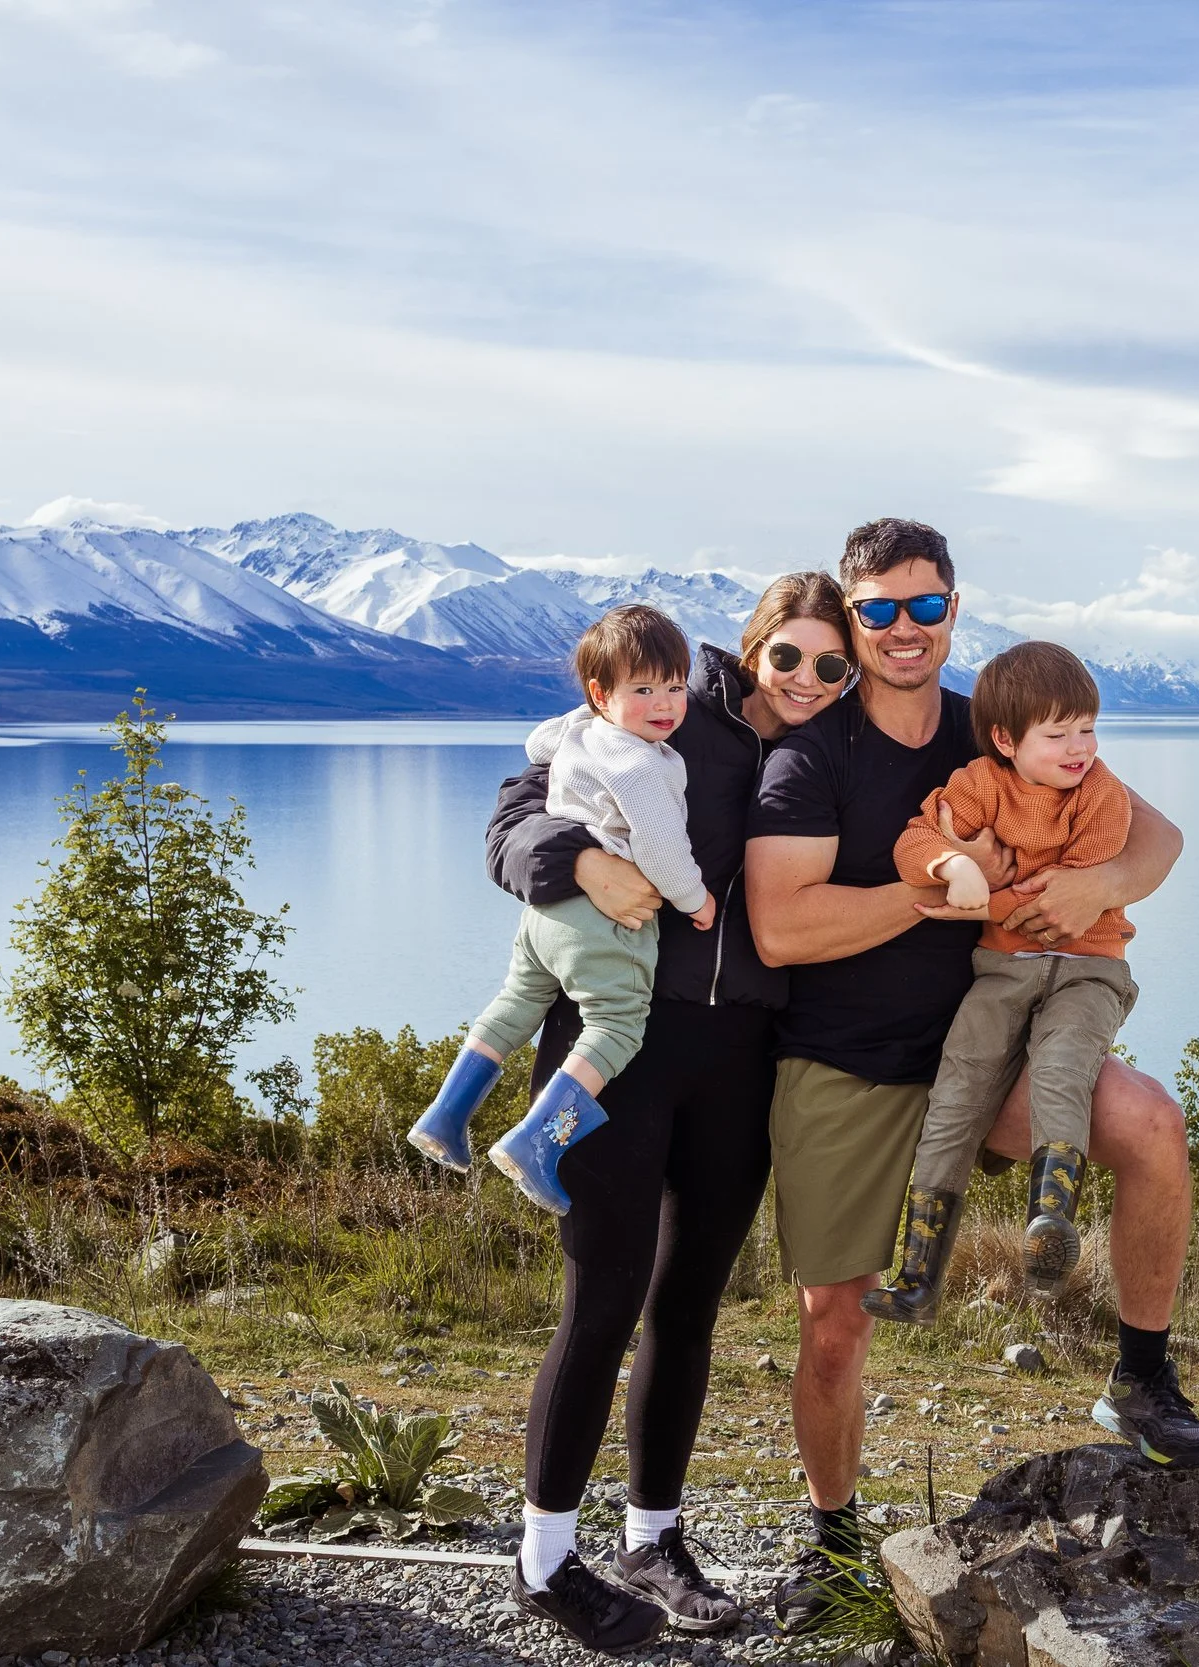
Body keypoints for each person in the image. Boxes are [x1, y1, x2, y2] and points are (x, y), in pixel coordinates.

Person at [744, 518, 1199, 1633]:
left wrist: (1091, 886)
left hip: (997, 1038)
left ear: (953, 609)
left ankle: (1140, 1380)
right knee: (834, 1320)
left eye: (925, 606)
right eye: (877, 609)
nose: (902, 628)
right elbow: (780, 926)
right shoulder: (814, 753)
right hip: (848, 1060)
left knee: (1150, 1120)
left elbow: (1160, 843)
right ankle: (831, 1536)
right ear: (851, 614)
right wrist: (937, 894)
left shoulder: (1001, 720)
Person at [476, 574, 857, 1650]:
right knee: (600, 1298)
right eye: (789, 657)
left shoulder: (839, 749)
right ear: (751, 651)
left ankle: (654, 1538)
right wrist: (579, 858)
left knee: (686, 1305)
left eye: (833, 663)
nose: (810, 680)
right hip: (626, 1046)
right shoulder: (664, 710)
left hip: (743, 1055)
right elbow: (513, 821)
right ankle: (544, 1561)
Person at [865, 639, 1142, 1322]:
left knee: (1062, 1067)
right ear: (1004, 740)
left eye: (1088, 728)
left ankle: (1051, 1220)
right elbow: (913, 842)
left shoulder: (1102, 795)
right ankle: (919, 1272)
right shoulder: (980, 784)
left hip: (1088, 969)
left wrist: (979, 898)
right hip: (1000, 971)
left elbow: (1056, 907)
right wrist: (950, 868)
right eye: (1059, 734)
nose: (1080, 747)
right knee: (957, 1089)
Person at [408, 604, 713, 1215]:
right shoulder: (640, 764)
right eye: (644, 689)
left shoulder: (581, 729)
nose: (665, 705)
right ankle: (537, 1143)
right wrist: (696, 900)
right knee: (616, 1026)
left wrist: (587, 721)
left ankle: (446, 1116)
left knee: (518, 1001)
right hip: (606, 919)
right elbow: (659, 847)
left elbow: (537, 741)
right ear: (603, 694)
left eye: (676, 688)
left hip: (544, 916)